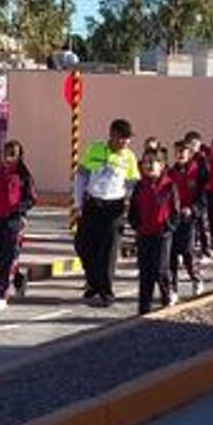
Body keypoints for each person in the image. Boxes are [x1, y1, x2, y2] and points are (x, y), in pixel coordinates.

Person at [74, 118, 140, 306]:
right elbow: (81, 176)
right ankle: (94, 282)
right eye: (122, 138)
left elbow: (133, 185)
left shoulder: (129, 157)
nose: (125, 142)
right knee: (82, 244)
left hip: (115, 208)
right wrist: (78, 203)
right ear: (112, 135)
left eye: (128, 139)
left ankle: (106, 292)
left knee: (109, 250)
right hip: (93, 204)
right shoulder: (95, 149)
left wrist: (130, 207)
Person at [0, 140, 36, 311]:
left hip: (15, 220)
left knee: (7, 258)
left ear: (19, 156)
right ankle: (19, 279)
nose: (8, 157)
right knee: (1, 257)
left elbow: (32, 198)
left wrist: (20, 210)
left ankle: (0, 295)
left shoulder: (23, 175)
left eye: (12, 154)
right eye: (6, 152)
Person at [128, 149, 180, 314]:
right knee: (145, 272)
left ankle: (167, 297)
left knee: (160, 269)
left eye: (153, 162)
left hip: (162, 235)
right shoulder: (140, 186)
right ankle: (144, 309)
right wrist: (137, 225)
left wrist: (168, 228)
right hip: (144, 234)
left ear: (162, 165)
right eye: (146, 162)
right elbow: (133, 211)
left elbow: (175, 212)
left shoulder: (169, 186)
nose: (149, 165)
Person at [168, 140, 205, 300]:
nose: (180, 154)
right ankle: (172, 289)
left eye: (183, 151)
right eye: (177, 151)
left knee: (188, 252)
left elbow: (203, 198)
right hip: (172, 218)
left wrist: (193, 209)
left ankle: (196, 278)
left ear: (189, 153)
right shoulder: (170, 173)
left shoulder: (198, 172)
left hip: (189, 218)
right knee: (171, 255)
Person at [184, 130, 211, 259]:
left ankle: (206, 249)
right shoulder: (185, 158)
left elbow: (206, 177)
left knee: (202, 223)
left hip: (201, 194)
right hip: (189, 194)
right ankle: (191, 248)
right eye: (190, 144)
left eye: (195, 144)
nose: (193, 147)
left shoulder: (202, 159)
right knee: (191, 224)